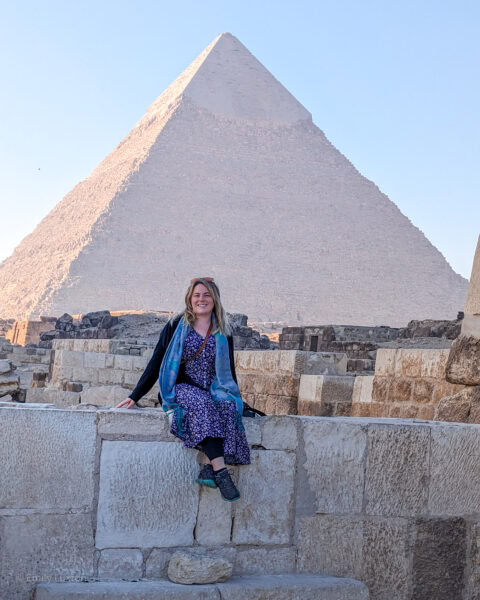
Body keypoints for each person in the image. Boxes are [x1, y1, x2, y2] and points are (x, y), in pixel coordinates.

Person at [115, 277, 250, 501]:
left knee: (227, 406)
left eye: (206, 295)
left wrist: (237, 398)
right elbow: (157, 360)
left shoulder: (223, 329)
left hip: (214, 388)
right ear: (189, 298)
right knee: (204, 405)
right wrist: (135, 395)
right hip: (181, 387)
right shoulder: (177, 325)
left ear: (215, 298)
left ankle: (208, 469)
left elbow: (229, 368)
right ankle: (222, 472)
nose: (201, 299)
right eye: (197, 295)